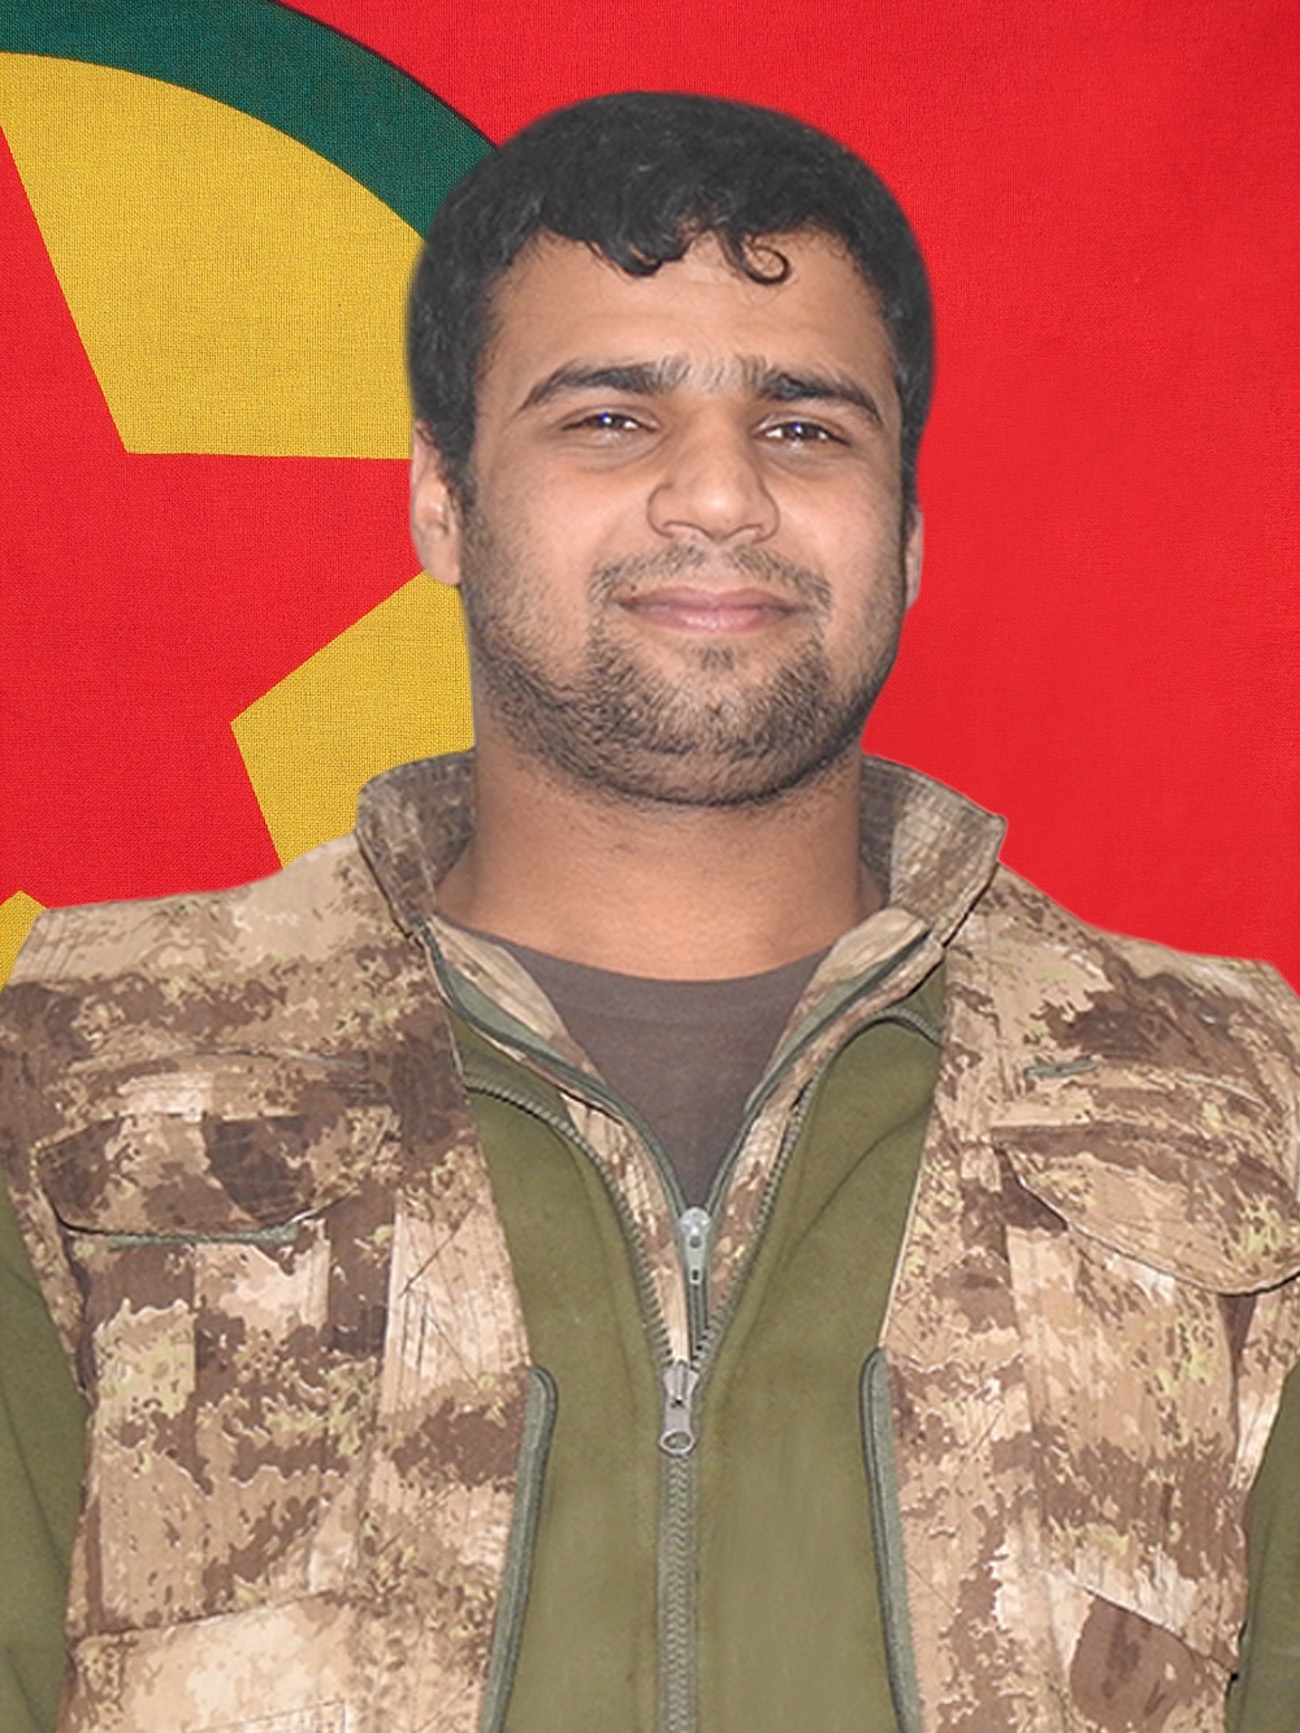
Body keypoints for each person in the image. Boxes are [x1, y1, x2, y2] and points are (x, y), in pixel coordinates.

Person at [1, 91, 1297, 1733]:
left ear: (907, 530)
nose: (719, 496)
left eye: (804, 428)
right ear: (442, 501)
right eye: (612, 417)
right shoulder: (76, 1081)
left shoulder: (1239, 1105)